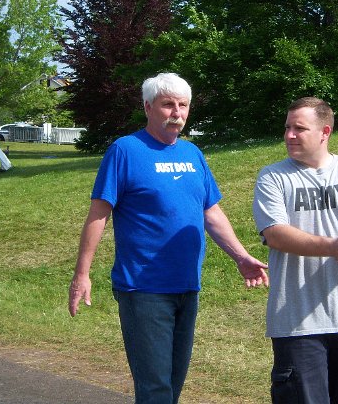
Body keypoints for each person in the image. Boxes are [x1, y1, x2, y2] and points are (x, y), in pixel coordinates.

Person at [69, 72, 268, 404]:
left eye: (183, 105)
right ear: (148, 107)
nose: (177, 112)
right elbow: (98, 215)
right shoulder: (125, 151)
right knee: (155, 389)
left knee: (173, 384)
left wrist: (241, 256)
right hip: (143, 288)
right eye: (167, 105)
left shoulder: (192, 154)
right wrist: (82, 274)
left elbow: (211, 212)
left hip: (187, 286)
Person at [252, 97, 338, 404]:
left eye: (299, 128)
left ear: (325, 132)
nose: (289, 135)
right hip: (296, 322)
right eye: (287, 127)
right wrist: (332, 247)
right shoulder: (273, 177)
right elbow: (275, 233)